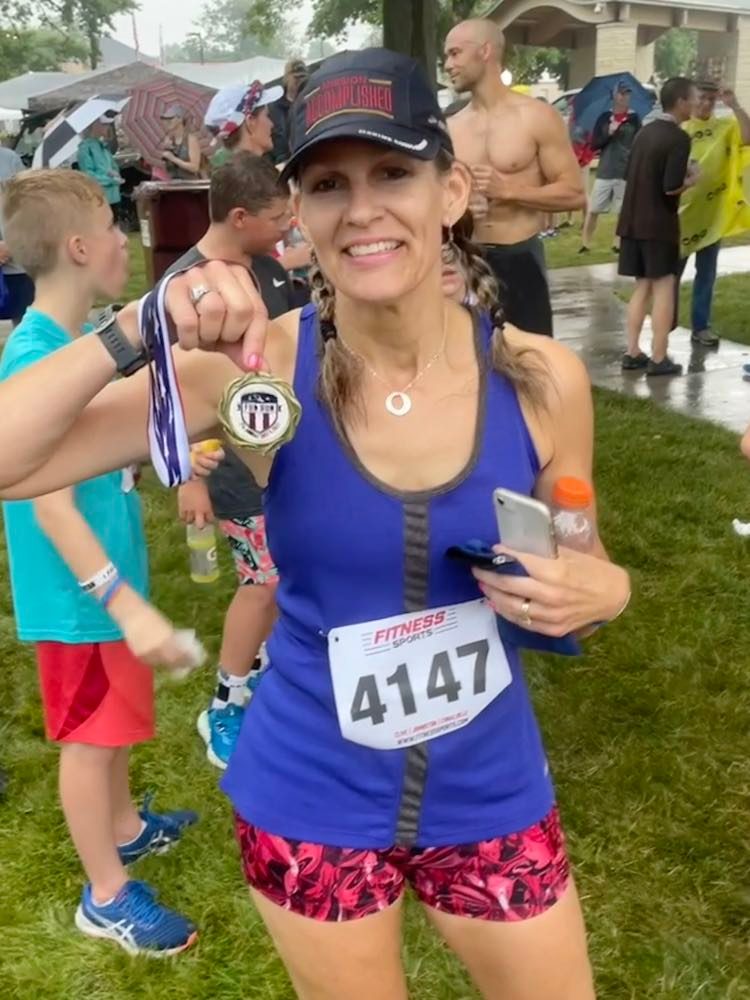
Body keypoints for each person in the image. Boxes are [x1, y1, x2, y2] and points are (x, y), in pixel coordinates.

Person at [0, 49, 630, 999]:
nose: (362, 209)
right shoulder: (256, 368)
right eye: (329, 184)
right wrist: (139, 327)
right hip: (311, 791)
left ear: (452, 192)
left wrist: (607, 587)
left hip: (490, 784)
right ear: (300, 211)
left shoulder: (544, 379)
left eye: (393, 173)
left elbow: (583, 553)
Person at [0, 170, 199, 957]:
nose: (126, 239)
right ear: (80, 248)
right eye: (115, 226)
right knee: (89, 739)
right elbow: (51, 507)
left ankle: (125, 826)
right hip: (80, 600)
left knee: (114, 726)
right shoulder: (35, 358)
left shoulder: (73, 346)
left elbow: (92, 455)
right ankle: (106, 894)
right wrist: (124, 603)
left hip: (103, 589)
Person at [168, 153, 293, 769]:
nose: (289, 226)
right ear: (240, 218)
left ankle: (268, 674)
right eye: (279, 218)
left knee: (285, 578)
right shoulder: (186, 289)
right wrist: (189, 477)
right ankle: (225, 702)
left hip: (284, 464)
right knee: (261, 583)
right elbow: (169, 392)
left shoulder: (266, 268)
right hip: (232, 474)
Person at [444, 17, 585, 336]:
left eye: (455, 53)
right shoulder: (451, 127)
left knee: (530, 357)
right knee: (468, 355)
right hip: (467, 260)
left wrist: (509, 189)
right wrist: (460, 210)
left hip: (520, 259)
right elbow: (436, 201)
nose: (448, 64)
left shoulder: (536, 116)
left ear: (485, 51)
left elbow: (574, 193)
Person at [618, 77, 699, 377]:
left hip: (632, 221)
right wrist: (691, 179)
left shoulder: (644, 132)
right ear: (680, 102)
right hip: (659, 225)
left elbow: (631, 173)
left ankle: (632, 351)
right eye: (694, 98)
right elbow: (670, 186)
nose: (696, 104)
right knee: (664, 287)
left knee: (641, 286)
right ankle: (659, 356)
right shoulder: (678, 138)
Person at [676, 81, 750, 346]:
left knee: (706, 274)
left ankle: (701, 326)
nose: (706, 104)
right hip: (682, 216)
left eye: (711, 99)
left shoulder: (724, 127)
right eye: (701, 98)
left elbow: (747, 138)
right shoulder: (681, 129)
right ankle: (665, 324)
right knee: (671, 275)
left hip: (713, 215)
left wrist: (735, 105)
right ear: (691, 99)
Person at [580, 82, 641, 254]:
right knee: (594, 209)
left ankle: (617, 243)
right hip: (606, 169)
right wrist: (609, 134)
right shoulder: (604, 118)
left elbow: (638, 142)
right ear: (614, 96)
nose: (625, 97)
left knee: (621, 211)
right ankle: (585, 243)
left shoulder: (634, 119)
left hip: (624, 170)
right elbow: (594, 144)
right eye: (621, 93)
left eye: (627, 93)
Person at [205, 81, 283, 169]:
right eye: (267, 116)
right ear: (250, 122)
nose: (271, 124)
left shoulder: (231, 172)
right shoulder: (255, 175)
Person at [0, 142, 34, 324]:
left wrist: (10, 244)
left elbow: (25, 203)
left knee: (23, 315)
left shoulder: (9, 159)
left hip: (13, 254)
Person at [77, 118, 124, 222]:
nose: (108, 127)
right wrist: (110, 179)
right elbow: (88, 176)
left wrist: (114, 173)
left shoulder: (103, 146)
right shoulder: (85, 148)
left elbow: (112, 167)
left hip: (114, 196)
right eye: (104, 124)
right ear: (94, 125)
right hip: (100, 198)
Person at [268, 58, 309, 166]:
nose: (300, 81)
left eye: (302, 77)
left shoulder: (311, 101)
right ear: (286, 79)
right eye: (296, 78)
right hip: (283, 162)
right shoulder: (274, 108)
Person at [159, 104, 202, 179]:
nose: (166, 121)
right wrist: (166, 150)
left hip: (189, 184)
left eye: (170, 118)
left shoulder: (190, 139)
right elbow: (166, 168)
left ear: (180, 119)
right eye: (165, 119)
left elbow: (195, 167)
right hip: (172, 183)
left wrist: (173, 158)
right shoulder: (169, 140)